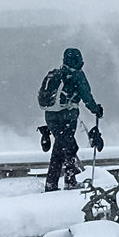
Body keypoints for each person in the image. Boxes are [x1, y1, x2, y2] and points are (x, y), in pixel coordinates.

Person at [41, 47, 103, 192]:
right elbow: (86, 96)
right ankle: (67, 181)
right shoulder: (77, 76)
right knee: (68, 148)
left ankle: (54, 183)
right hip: (67, 115)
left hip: (50, 116)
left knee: (61, 146)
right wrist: (96, 110)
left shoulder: (56, 74)